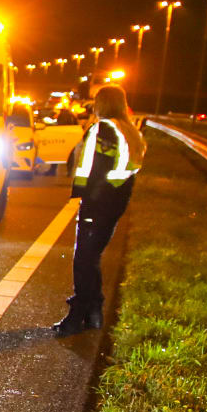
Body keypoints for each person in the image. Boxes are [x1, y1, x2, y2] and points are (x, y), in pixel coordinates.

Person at [54, 83, 145, 337]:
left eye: (96, 100)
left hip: (98, 202)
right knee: (91, 257)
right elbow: (128, 168)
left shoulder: (103, 129)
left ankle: (78, 314)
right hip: (114, 203)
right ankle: (94, 313)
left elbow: (95, 166)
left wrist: (92, 194)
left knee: (83, 259)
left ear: (103, 103)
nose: (93, 105)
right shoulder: (129, 130)